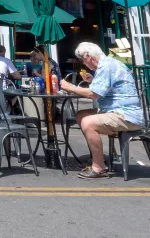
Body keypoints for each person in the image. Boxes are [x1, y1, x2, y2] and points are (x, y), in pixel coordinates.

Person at [59, 42, 145, 179]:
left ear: (88, 56)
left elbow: (93, 94)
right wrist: (93, 80)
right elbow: (106, 88)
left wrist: (70, 87)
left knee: (88, 122)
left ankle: (99, 167)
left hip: (126, 114)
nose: (83, 63)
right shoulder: (107, 65)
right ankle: (97, 157)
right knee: (81, 115)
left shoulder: (106, 66)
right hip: (115, 110)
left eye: (82, 60)